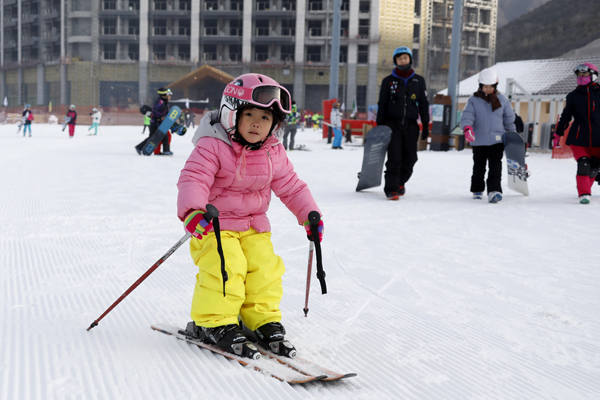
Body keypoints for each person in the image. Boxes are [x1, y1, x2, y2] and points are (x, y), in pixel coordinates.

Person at [177, 73, 323, 359]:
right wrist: (193, 211)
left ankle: (262, 320)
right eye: (250, 115)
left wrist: (309, 214)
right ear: (231, 114)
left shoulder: (273, 151)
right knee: (227, 265)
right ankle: (214, 322)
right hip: (213, 227)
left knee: (265, 268)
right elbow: (193, 179)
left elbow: (291, 186)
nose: (258, 123)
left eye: (266, 118)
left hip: (254, 225)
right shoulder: (212, 145)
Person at [376, 46, 430, 200]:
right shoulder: (388, 81)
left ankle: (400, 182)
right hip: (392, 124)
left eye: (405, 58)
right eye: (399, 58)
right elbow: (382, 104)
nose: (403, 60)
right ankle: (391, 189)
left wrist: (425, 124)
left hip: (411, 125)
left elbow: (423, 104)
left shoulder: (419, 81)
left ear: (410, 59)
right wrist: (380, 127)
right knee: (394, 157)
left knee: (411, 157)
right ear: (395, 61)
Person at [461, 68, 516, 203]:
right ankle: (477, 189)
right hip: (478, 139)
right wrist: (467, 128)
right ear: (480, 86)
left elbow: (509, 119)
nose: (488, 89)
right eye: (485, 86)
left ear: (495, 85)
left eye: (491, 87)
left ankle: (494, 190)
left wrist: (513, 136)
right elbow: (468, 116)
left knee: (495, 165)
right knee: (479, 166)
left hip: (497, 139)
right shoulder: (473, 100)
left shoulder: (502, 99)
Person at [555, 62, 600, 204]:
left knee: (594, 168)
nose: (581, 76)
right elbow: (566, 116)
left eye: (585, 74)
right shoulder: (573, 96)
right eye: (579, 74)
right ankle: (584, 194)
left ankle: (585, 186)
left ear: (593, 76)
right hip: (579, 138)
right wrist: (558, 133)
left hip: (598, 139)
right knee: (584, 164)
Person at [135, 87, 173, 156]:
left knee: (158, 137)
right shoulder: (159, 101)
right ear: (164, 95)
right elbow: (154, 111)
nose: (169, 96)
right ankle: (166, 151)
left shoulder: (164, 102)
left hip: (158, 123)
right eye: (168, 95)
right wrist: (161, 116)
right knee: (158, 137)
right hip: (155, 123)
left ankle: (139, 147)